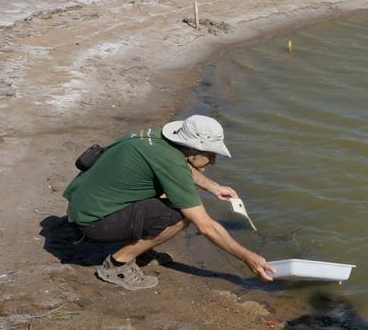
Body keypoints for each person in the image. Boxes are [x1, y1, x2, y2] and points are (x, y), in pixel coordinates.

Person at [63, 115, 274, 290]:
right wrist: (247, 257)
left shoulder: (158, 137)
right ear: (193, 150)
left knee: (170, 197)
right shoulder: (171, 162)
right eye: (210, 154)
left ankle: (138, 246)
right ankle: (117, 264)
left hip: (83, 204)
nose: (213, 160)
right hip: (92, 223)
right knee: (181, 216)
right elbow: (206, 226)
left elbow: (180, 166)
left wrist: (213, 187)